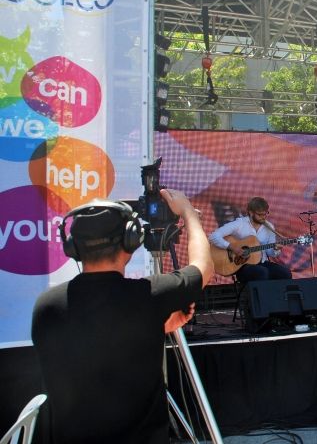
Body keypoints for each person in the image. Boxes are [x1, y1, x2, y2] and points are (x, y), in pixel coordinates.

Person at [31, 189, 214, 443]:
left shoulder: (46, 306)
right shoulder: (149, 296)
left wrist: (152, 327)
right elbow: (204, 267)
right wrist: (188, 212)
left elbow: (89, 344)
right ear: (130, 241)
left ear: (73, 247)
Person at [208, 196, 292, 283]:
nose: (263, 217)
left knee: (285, 273)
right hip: (242, 266)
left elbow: (270, 253)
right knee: (262, 272)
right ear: (251, 213)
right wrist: (232, 247)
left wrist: (275, 249)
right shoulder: (240, 224)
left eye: (265, 214)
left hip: (262, 262)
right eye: (260, 214)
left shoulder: (269, 227)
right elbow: (213, 236)